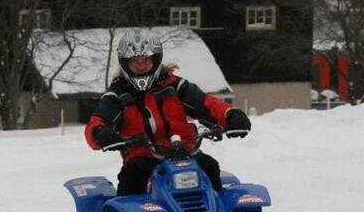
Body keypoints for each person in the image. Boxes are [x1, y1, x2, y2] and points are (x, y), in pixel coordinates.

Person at [85, 28, 251, 196]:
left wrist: (230, 115)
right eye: (135, 61)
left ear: (156, 60)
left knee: (209, 166)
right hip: (143, 156)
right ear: (125, 63)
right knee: (132, 178)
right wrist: (100, 133)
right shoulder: (117, 94)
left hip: (185, 152)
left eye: (146, 60)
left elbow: (206, 104)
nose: (141, 65)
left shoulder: (175, 86)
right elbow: (97, 122)